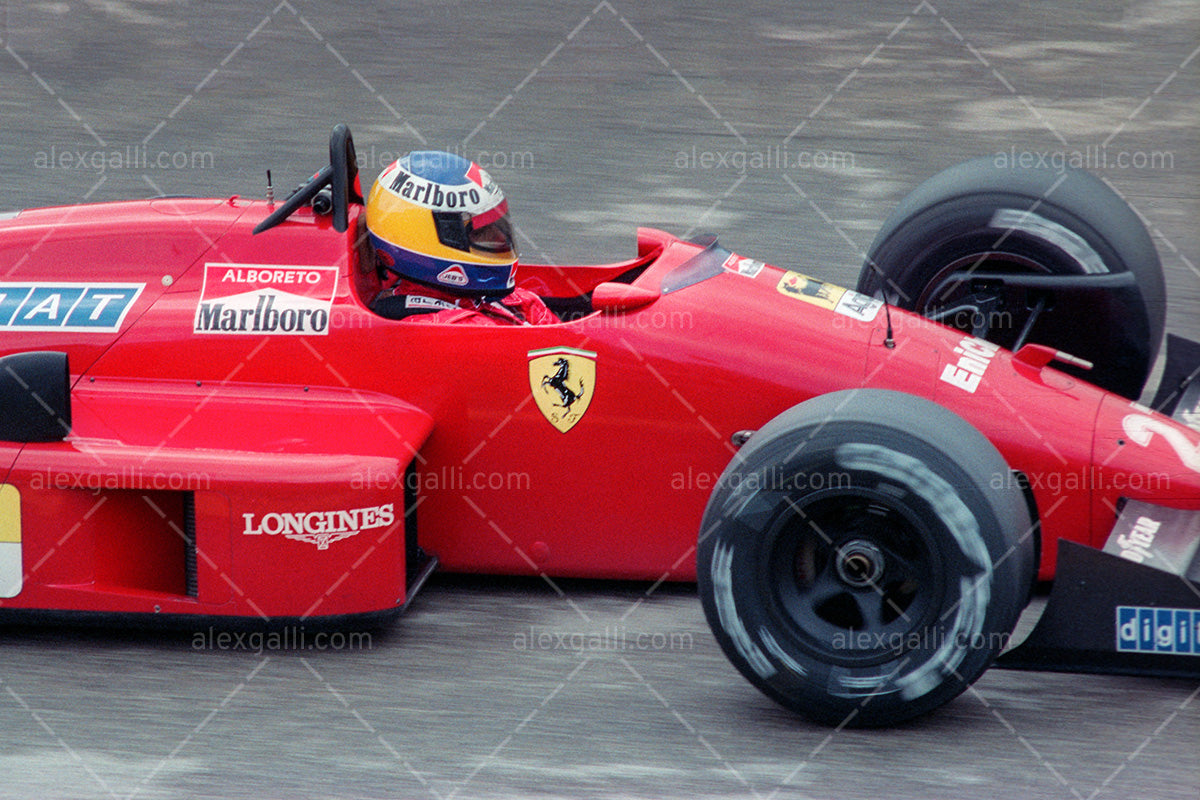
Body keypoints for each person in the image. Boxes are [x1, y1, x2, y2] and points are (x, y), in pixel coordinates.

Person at [365, 151, 556, 324]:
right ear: (425, 241)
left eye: (497, 226)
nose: (499, 238)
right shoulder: (449, 328)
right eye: (480, 233)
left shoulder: (511, 301)